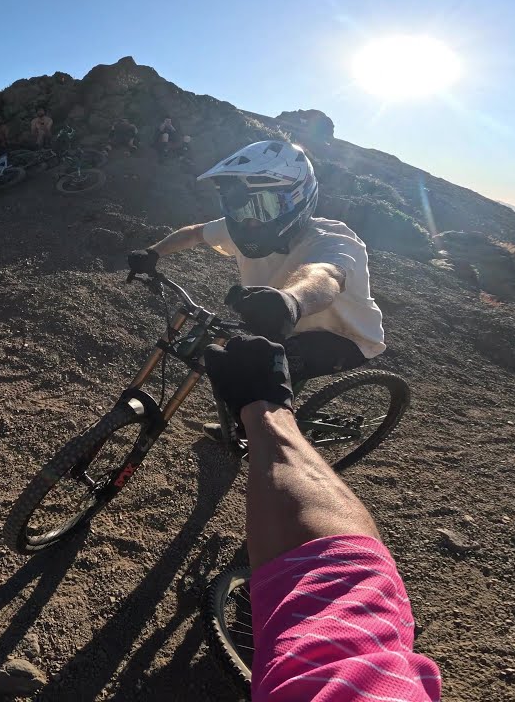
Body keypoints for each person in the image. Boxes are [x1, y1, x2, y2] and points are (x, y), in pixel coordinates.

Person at [203, 335, 441, 700]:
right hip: (288, 324)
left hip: (347, 339)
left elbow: (328, 273)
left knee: (273, 405)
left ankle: (275, 421)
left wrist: (267, 410)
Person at [127, 140, 385, 441]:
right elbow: (196, 233)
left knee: (260, 376)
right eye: (238, 207)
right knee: (244, 360)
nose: (248, 219)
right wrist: (154, 252)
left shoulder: (334, 239)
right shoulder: (242, 225)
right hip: (279, 318)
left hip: (343, 337)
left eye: (265, 206)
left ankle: (260, 435)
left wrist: (292, 300)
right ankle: (248, 424)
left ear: (297, 200)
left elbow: (325, 275)